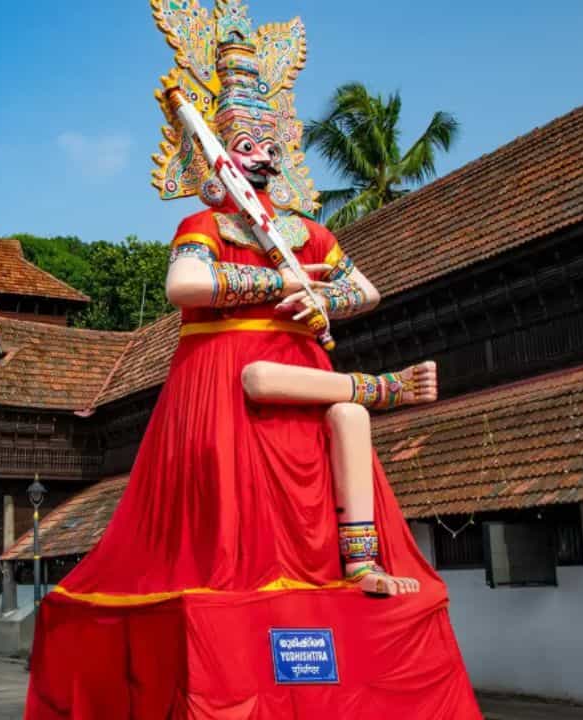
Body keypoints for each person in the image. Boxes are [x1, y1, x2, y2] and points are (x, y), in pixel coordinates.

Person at [24, 2, 481, 717]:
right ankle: (378, 386)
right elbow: (185, 287)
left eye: (270, 144)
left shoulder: (306, 232)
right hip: (226, 366)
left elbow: (365, 290)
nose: (261, 155)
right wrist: (273, 285)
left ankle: (360, 560)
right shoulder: (205, 223)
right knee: (258, 386)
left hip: (305, 363)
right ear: (219, 154)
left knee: (349, 420)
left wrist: (320, 296)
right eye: (245, 143)